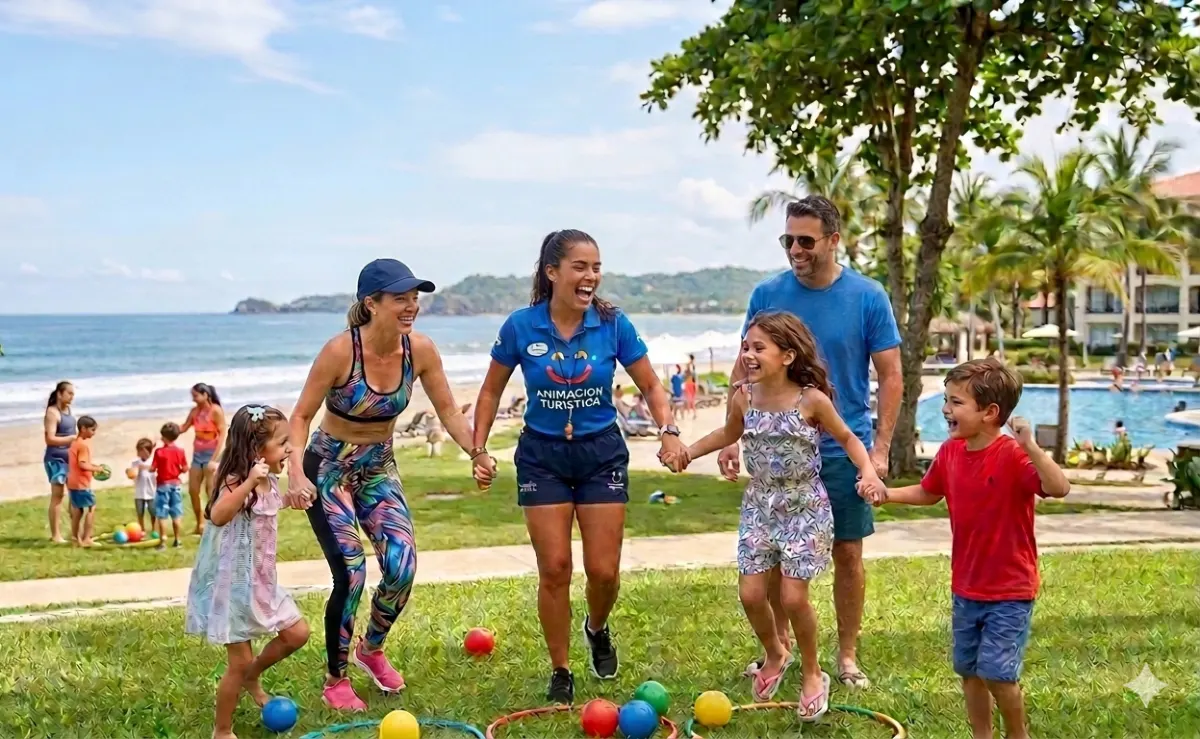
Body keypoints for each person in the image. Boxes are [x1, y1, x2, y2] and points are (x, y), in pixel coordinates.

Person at [471, 229, 687, 704]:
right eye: (580, 267)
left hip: (600, 453)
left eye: (596, 268)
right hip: (542, 456)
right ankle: (561, 669)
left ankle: (597, 627)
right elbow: (489, 391)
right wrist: (478, 449)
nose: (591, 276)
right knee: (555, 568)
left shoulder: (612, 324)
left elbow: (652, 386)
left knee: (604, 572)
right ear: (552, 273)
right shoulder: (521, 326)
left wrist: (668, 430)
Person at [720, 195, 902, 689]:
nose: (795, 250)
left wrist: (879, 450)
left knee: (847, 553)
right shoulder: (767, 293)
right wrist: (732, 436)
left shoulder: (867, 296)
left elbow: (890, 375)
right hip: (779, 455)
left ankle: (847, 655)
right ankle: (778, 651)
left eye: (806, 240)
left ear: (833, 240)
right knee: (772, 559)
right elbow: (744, 364)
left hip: (842, 447)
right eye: (788, 240)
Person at [285, 258, 478, 712]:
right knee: (351, 572)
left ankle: (371, 648)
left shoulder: (420, 350)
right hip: (328, 469)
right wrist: (294, 471)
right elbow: (300, 416)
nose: (411, 306)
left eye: (414, 298)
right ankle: (336, 679)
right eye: (400, 299)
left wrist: (478, 452)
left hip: (377, 468)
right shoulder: (340, 352)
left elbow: (450, 411)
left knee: (402, 565)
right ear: (371, 303)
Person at [675, 311, 884, 720]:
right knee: (751, 594)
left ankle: (813, 672)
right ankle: (776, 653)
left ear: (788, 356)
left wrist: (869, 471)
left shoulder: (811, 400)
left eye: (759, 348)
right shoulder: (744, 396)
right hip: (760, 506)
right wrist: (688, 452)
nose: (748, 355)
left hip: (804, 507)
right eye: (745, 347)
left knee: (792, 597)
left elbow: (847, 438)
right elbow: (728, 433)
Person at [868, 358, 1069, 739]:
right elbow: (929, 492)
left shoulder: (1012, 455)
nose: (946, 409)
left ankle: (1018, 735)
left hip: (1010, 590)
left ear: (989, 413)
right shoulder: (950, 452)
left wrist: (1031, 447)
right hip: (967, 587)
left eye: (956, 402)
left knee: (998, 673)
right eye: (946, 400)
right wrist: (887, 494)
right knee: (970, 671)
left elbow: (1059, 488)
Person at [186, 404, 310, 739]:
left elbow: (267, 508)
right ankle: (222, 730)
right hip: (234, 587)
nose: (289, 449)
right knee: (237, 663)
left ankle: (252, 676)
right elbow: (218, 515)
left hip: (262, 582)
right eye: (282, 443)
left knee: (297, 633)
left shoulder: (268, 481)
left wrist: (292, 499)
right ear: (257, 451)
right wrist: (248, 483)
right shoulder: (236, 481)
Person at [181, 383, 226, 534]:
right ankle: (199, 523)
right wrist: (167, 432)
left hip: (211, 454)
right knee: (193, 490)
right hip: (197, 455)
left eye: (195, 396)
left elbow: (222, 434)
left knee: (210, 490)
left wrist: (214, 458)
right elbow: (183, 428)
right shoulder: (194, 412)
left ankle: (214, 523)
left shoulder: (215, 411)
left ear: (205, 395)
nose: (193, 399)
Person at [43, 380, 77, 543]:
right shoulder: (52, 412)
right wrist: (70, 439)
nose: (72, 397)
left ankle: (75, 533)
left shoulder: (68, 411)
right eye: (69, 393)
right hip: (56, 460)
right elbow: (50, 439)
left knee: (75, 494)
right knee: (58, 496)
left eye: (73, 394)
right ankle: (56, 535)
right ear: (59, 394)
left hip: (71, 459)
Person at [152, 422, 189, 550]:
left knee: (162, 513)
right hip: (176, 485)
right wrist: (178, 470)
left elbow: (152, 468)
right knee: (176, 512)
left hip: (163, 485)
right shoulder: (180, 451)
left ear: (164, 437)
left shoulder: (159, 452)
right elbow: (185, 468)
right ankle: (177, 540)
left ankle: (163, 540)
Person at [67, 415, 102, 547]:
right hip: (81, 484)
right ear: (83, 428)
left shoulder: (74, 443)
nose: (94, 433)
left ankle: (75, 538)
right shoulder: (82, 446)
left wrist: (91, 466)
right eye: (92, 430)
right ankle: (87, 538)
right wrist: (96, 468)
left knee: (78, 510)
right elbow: (82, 464)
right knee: (91, 508)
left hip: (73, 482)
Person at [126, 437, 158, 532]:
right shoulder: (135, 463)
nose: (138, 453)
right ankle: (141, 529)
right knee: (140, 512)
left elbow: (154, 470)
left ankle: (155, 529)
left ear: (146, 451)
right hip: (139, 493)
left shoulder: (153, 462)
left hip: (152, 492)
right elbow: (132, 474)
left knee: (153, 512)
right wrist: (128, 471)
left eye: (139, 450)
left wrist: (143, 467)